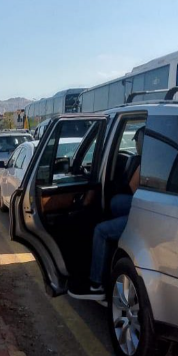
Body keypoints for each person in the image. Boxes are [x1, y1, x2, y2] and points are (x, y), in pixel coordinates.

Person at [69, 126, 145, 301]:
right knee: (115, 202)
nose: (137, 144)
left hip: (145, 212)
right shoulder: (166, 156)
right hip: (146, 206)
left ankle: (96, 283)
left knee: (101, 230)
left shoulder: (149, 160)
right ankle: (111, 246)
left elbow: (133, 186)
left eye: (138, 140)